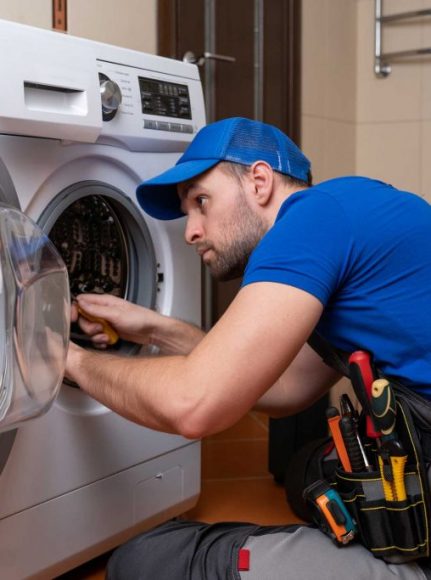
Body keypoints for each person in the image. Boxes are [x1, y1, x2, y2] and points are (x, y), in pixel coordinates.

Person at [65, 117, 431, 579]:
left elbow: (192, 406)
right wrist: (156, 329)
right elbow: (284, 386)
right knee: (306, 475)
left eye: (201, 201)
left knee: (144, 562)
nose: (190, 231)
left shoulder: (310, 220)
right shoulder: (351, 207)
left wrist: (67, 358)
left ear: (259, 180)